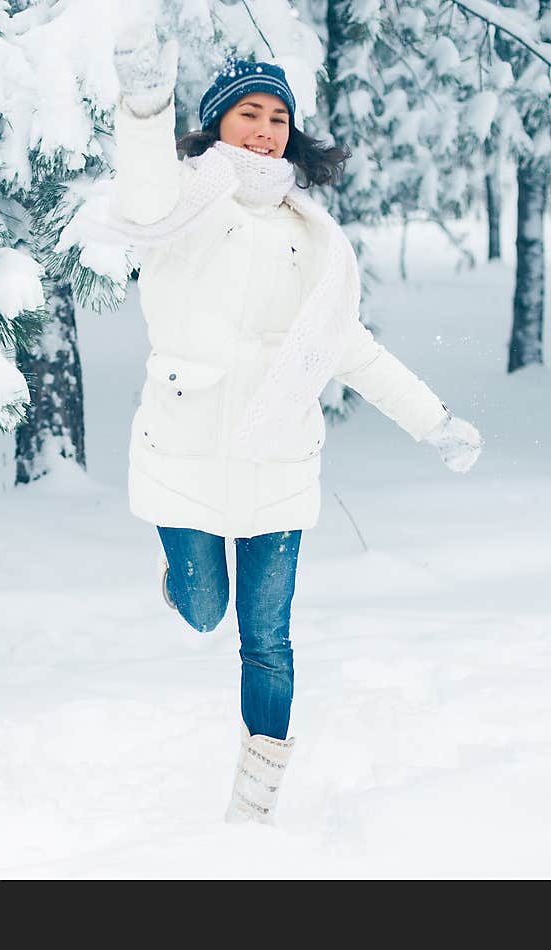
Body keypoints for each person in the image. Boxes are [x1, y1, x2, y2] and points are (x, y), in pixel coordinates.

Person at [107, 25, 483, 825]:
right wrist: (143, 109)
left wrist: (434, 420)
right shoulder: (178, 207)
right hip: (185, 454)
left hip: (278, 463)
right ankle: (184, 582)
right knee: (206, 610)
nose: (266, 128)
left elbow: (350, 347)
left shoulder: (313, 240)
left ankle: (255, 801)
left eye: (277, 116)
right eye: (249, 112)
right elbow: (137, 189)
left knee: (266, 642)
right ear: (215, 123)